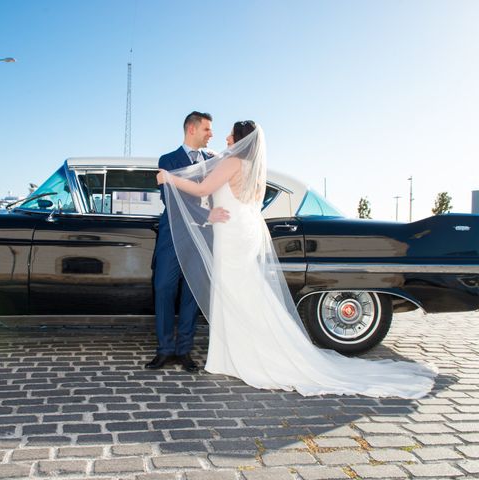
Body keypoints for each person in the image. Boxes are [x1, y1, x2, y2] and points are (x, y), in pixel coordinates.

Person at [156, 120, 437, 398]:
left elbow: (204, 191)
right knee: (245, 294)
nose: (225, 137)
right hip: (241, 232)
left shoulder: (230, 163)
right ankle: (239, 354)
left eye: (231, 134)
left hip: (230, 235)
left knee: (235, 294)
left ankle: (237, 357)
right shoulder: (252, 167)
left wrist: (168, 177)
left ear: (241, 139)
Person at [146, 111, 230, 373]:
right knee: (163, 288)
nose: (211, 134)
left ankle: (184, 351)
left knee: (192, 293)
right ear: (192, 129)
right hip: (173, 232)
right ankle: (164, 350)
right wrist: (207, 213)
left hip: (203, 234)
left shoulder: (214, 161)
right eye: (207, 129)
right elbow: (170, 198)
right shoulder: (168, 160)